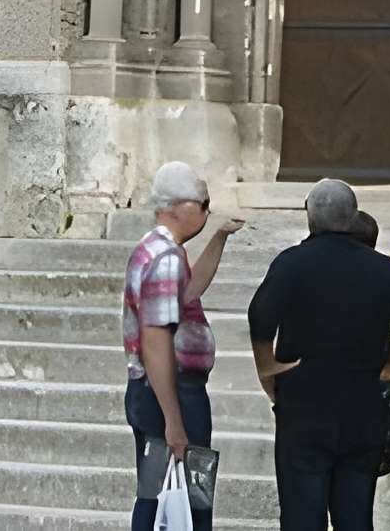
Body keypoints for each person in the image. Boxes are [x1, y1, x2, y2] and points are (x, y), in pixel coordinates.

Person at [247, 179, 390, 531]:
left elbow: (260, 316)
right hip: (362, 408)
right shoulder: (381, 269)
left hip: (305, 409)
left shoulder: (292, 264)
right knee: (354, 518)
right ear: (352, 217)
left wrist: (267, 369)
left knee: (302, 518)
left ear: (310, 216)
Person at [122, 162, 240, 531]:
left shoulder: (154, 249)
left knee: (154, 491)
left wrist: (219, 236)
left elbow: (188, 294)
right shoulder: (167, 259)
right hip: (175, 394)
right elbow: (156, 341)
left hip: (152, 392)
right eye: (202, 203)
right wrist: (174, 421)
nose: (206, 210)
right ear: (177, 206)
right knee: (192, 497)